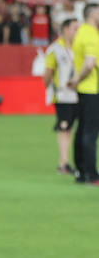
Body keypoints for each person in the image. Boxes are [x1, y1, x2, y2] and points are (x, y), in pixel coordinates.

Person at [43, 18, 80, 175]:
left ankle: (68, 162)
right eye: (74, 28)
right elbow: (48, 72)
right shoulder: (55, 49)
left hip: (78, 94)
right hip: (62, 95)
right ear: (65, 29)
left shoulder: (78, 46)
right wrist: (51, 90)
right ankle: (63, 162)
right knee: (64, 128)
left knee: (72, 129)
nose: (77, 31)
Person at [71, 3, 99, 184]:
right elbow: (89, 63)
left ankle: (81, 171)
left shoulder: (81, 33)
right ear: (92, 14)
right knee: (90, 132)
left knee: (82, 130)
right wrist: (77, 79)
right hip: (92, 88)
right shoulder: (91, 35)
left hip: (84, 90)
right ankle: (91, 174)